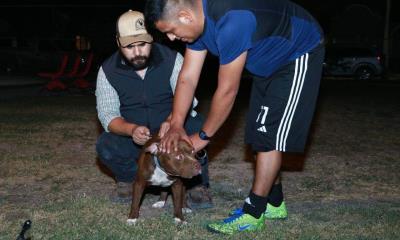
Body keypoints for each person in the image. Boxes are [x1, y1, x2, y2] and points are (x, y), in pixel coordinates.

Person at [145, 0, 325, 234]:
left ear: (185, 16)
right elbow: (188, 77)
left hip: (298, 51)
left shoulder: (232, 22)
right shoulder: (196, 25)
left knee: (269, 136)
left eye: (170, 31)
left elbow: (227, 91)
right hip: (268, 61)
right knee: (259, 133)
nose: (170, 38)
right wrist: (177, 122)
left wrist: (203, 137)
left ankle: (253, 213)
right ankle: (274, 202)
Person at [95, 10, 212, 209]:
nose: (138, 52)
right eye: (130, 46)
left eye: (142, 44)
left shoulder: (172, 59)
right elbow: (108, 115)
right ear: (118, 42)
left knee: (196, 124)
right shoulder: (107, 70)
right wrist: (131, 130)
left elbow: (188, 97)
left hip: (171, 129)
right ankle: (129, 179)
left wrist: (173, 120)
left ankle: (195, 183)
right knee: (106, 144)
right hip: (135, 134)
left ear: (151, 39)